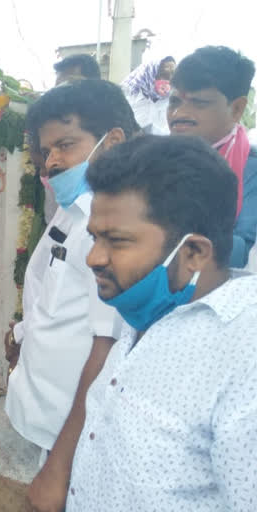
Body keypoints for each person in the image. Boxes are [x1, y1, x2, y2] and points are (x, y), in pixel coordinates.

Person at [68, 135, 257, 511]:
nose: (93, 257)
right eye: (94, 237)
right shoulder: (150, 306)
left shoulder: (245, 364)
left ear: (193, 253)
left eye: (116, 241)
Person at [5, 80, 140, 512]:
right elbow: (56, 293)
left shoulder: (114, 229)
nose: (53, 161)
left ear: (112, 141)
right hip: (46, 413)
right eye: (47, 151)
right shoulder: (73, 206)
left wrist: (60, 467)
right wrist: (23, 332)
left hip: (74, 435)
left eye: (65, 144)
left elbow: (107, 347)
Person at [168, 46, 257, 268]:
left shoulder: (251, 170)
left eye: (198, 103)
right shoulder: (150, 160)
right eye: (175, 102)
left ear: (236, 109)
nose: (179, 114)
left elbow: (240, 251)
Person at [121, 57, 176, 135]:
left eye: (172, 76)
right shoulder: (130, 99)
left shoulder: (173, 102)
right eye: (164, 75)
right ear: (150, 74)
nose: (168, 80)